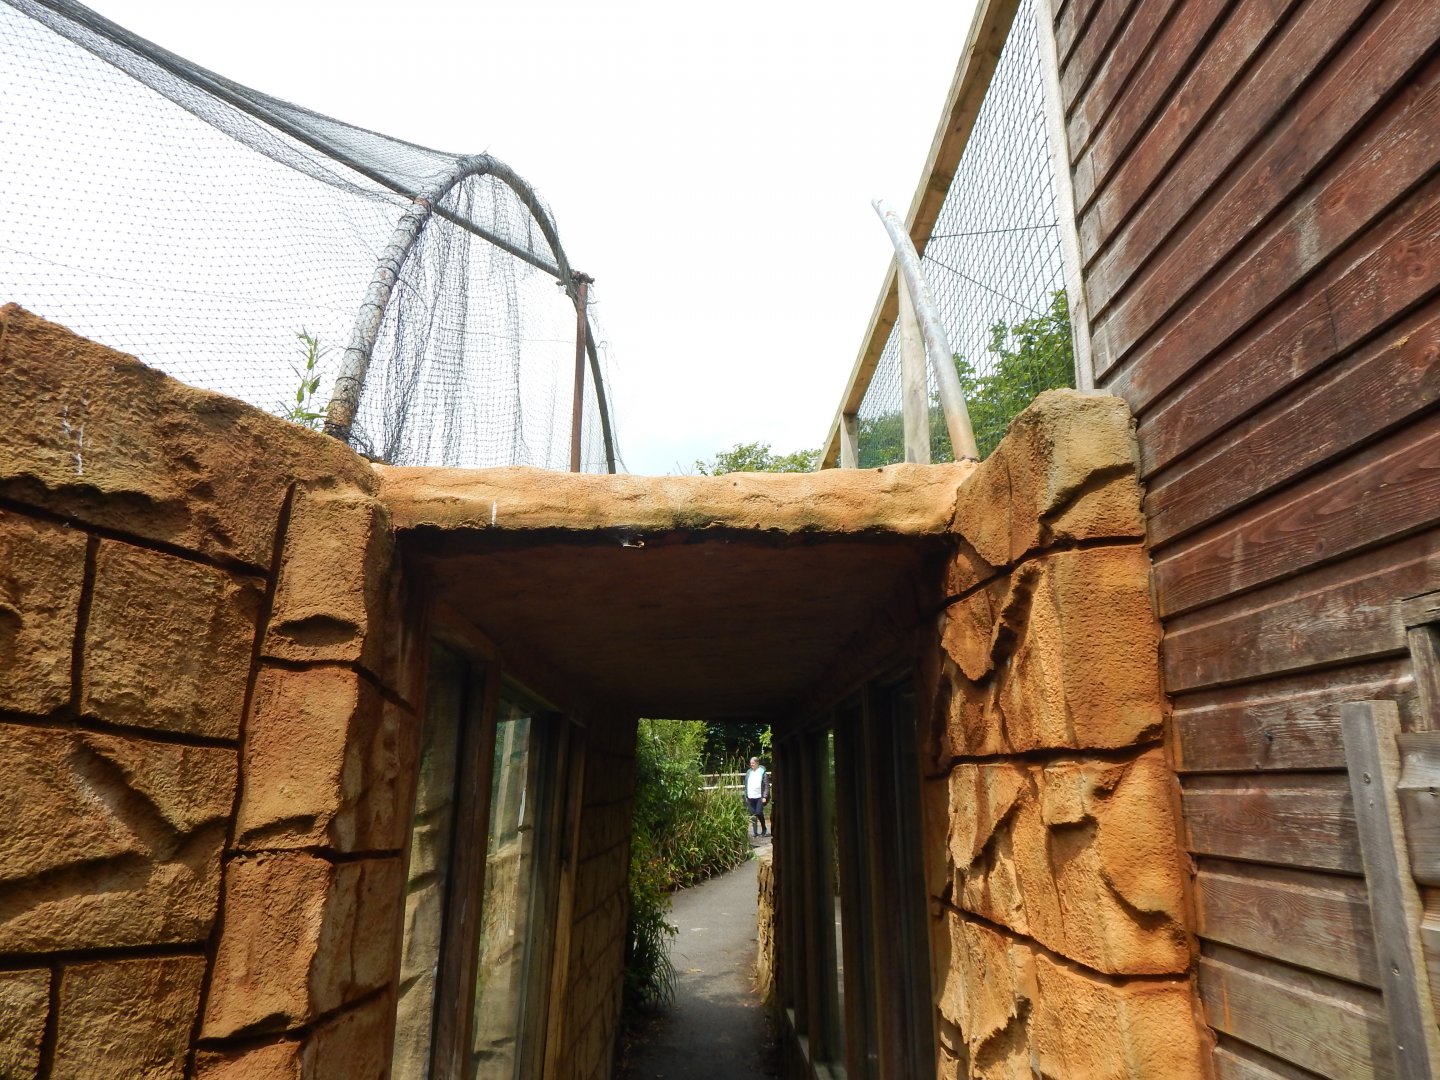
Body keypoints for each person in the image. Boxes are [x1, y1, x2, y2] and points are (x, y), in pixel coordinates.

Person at [745, 756, 771, 837]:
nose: (751, 765)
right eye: (750, 763)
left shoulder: (762, 772)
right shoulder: (749, 772)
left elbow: (766, 785)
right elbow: (746, 784)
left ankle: (764, 828)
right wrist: (746, 795)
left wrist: (765, 796)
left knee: (759, 812)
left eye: (753, 763)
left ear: (757, 763)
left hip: (759, 796)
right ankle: (755, 832)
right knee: (753, 815)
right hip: (750, 796)